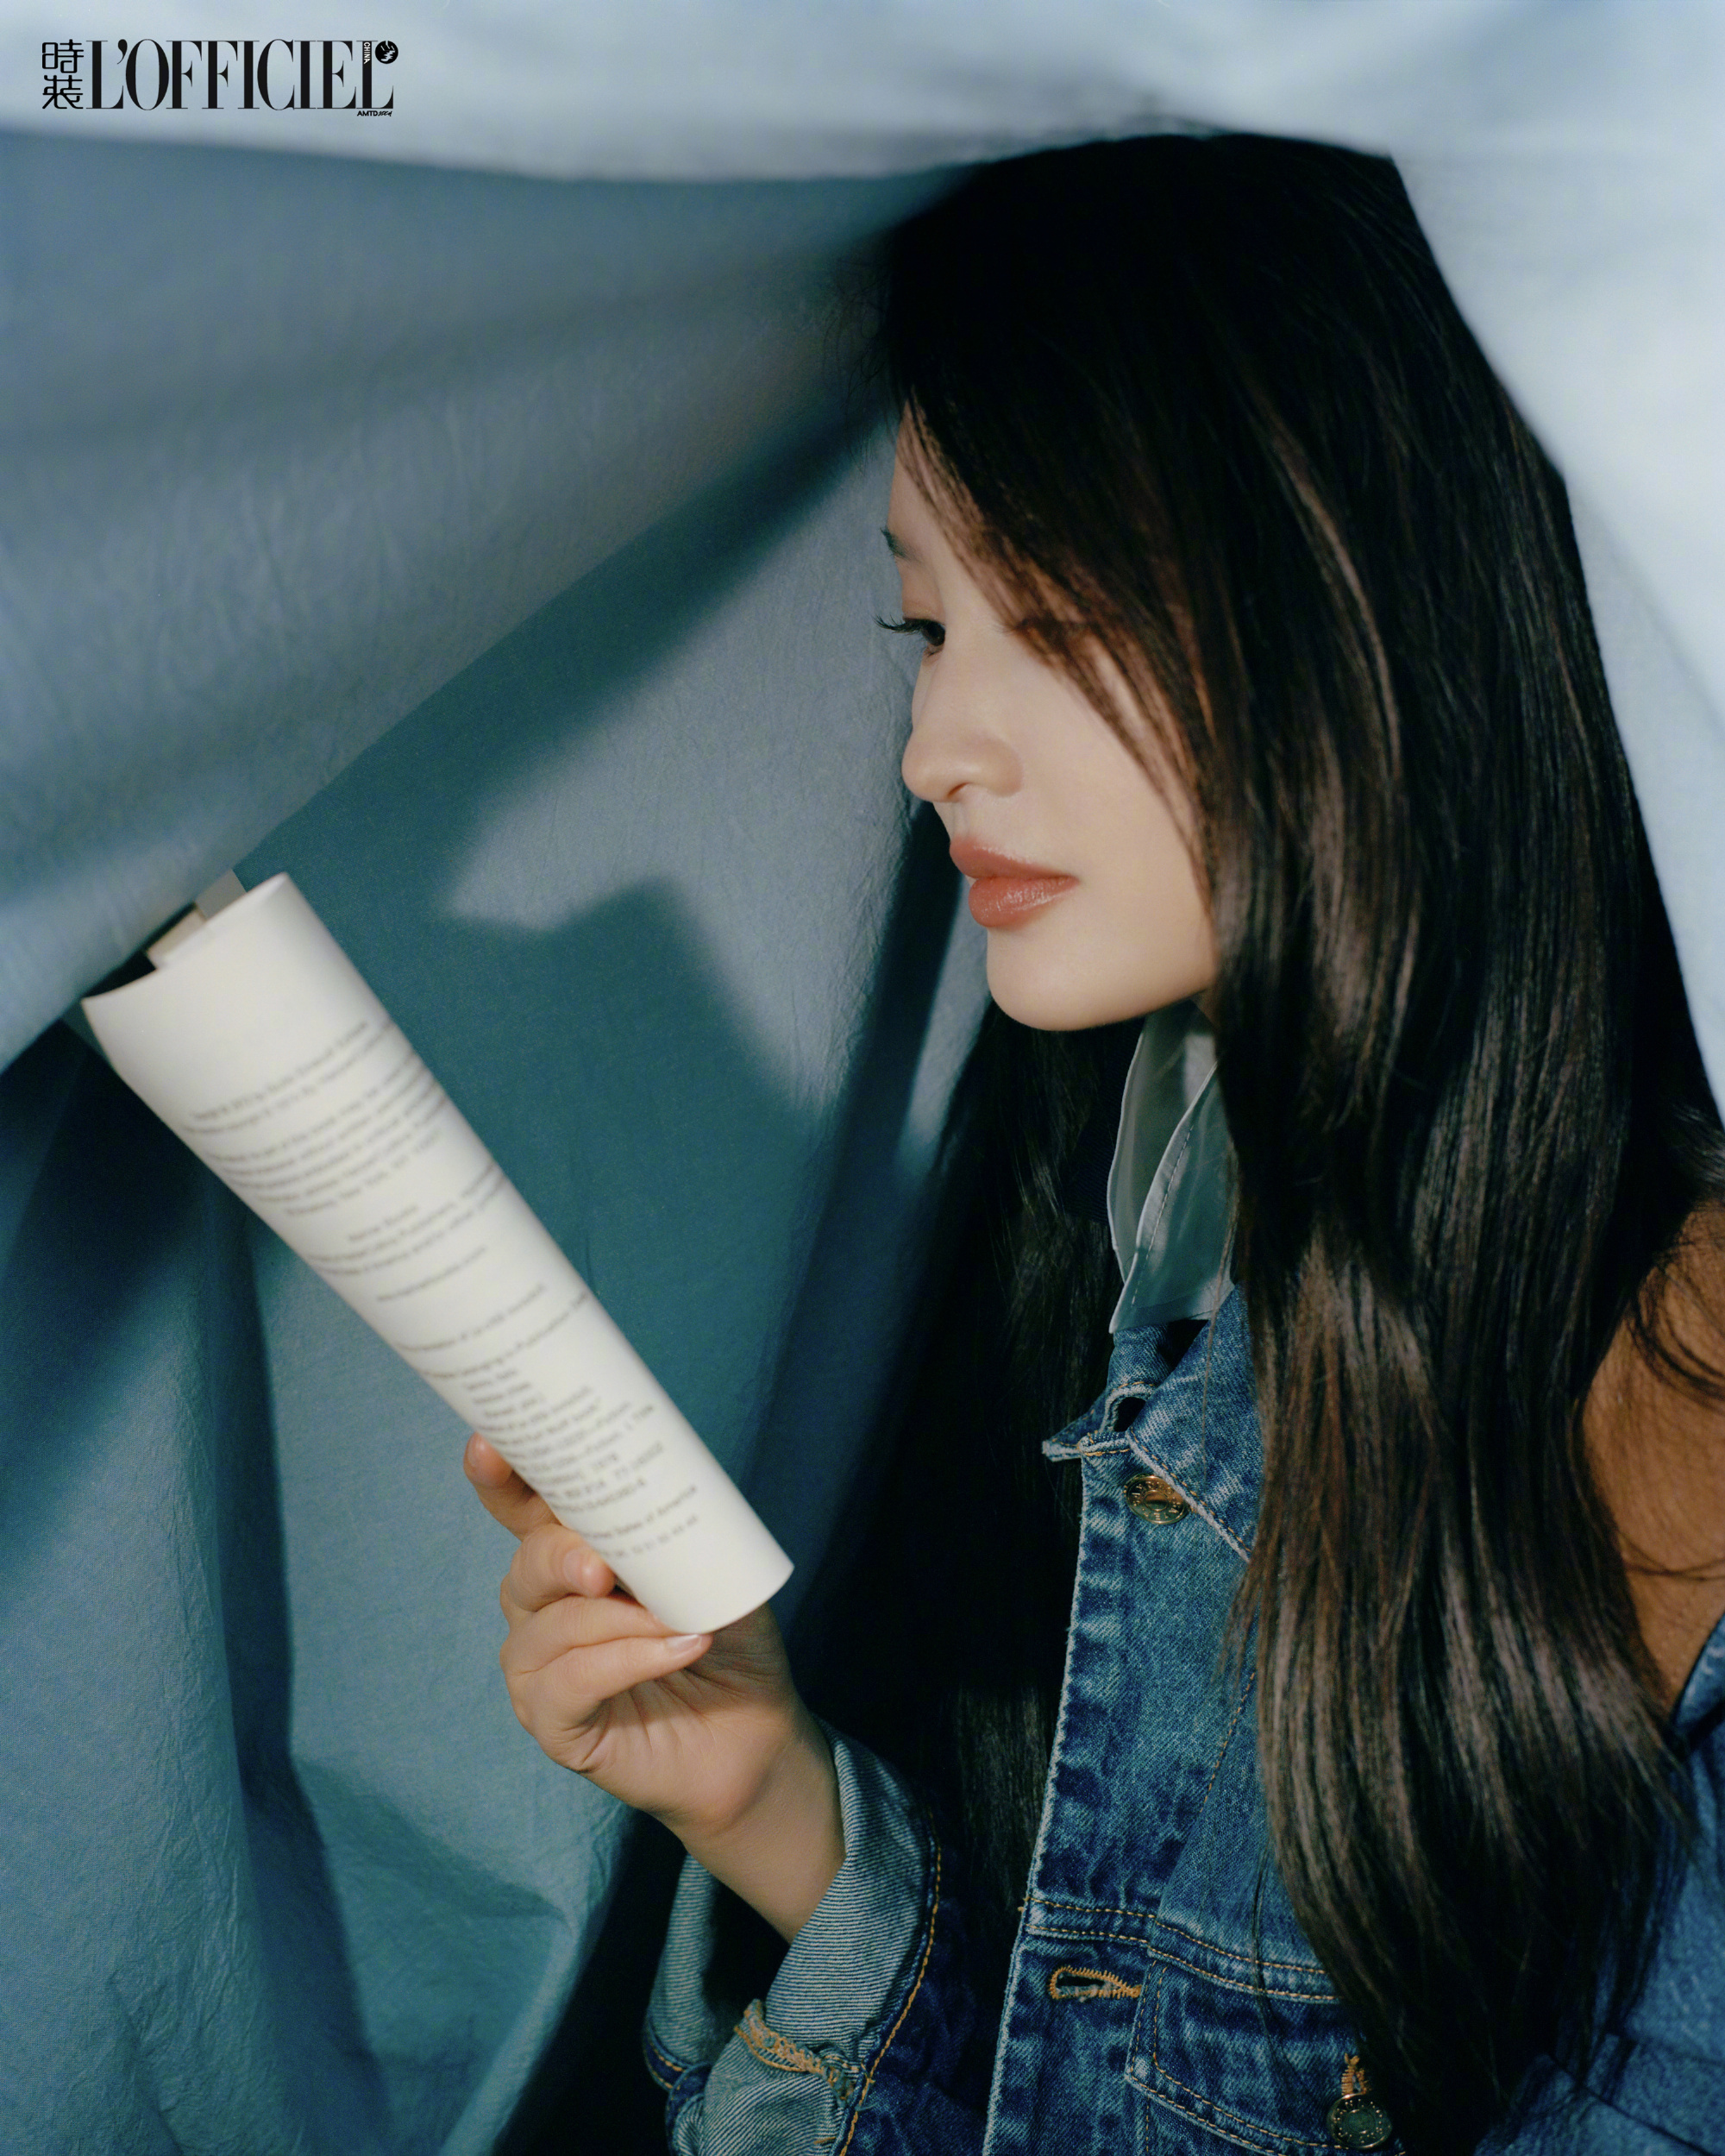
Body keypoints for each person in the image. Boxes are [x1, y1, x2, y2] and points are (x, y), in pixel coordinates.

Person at [464, 135, 1725, 2155]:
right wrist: (775, 1796)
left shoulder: (1678, 1406)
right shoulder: (1110, 1234)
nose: (933, 750)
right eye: (925, 629)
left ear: (1366, 609)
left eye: (1049, 616)